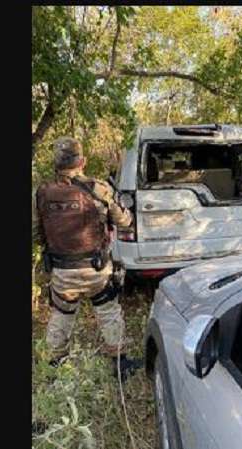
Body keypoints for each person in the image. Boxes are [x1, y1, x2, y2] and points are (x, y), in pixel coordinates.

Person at [34, 137, 142, 381]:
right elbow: (124, 221)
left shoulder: (42, 193)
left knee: (61, 314)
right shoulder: (98, 189)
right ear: (81, 161)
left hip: (62, 272)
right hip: (95, 270)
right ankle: (119, 363)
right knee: (108, 312)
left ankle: (54, 365)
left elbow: (37, 231)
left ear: (56, 164)